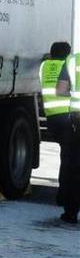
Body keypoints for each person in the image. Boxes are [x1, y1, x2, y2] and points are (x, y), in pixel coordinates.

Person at [52, 43, 80, 224]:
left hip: (77, 121)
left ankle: (71, 211)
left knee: (74, 166)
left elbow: (60, 91)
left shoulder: (71, 61)